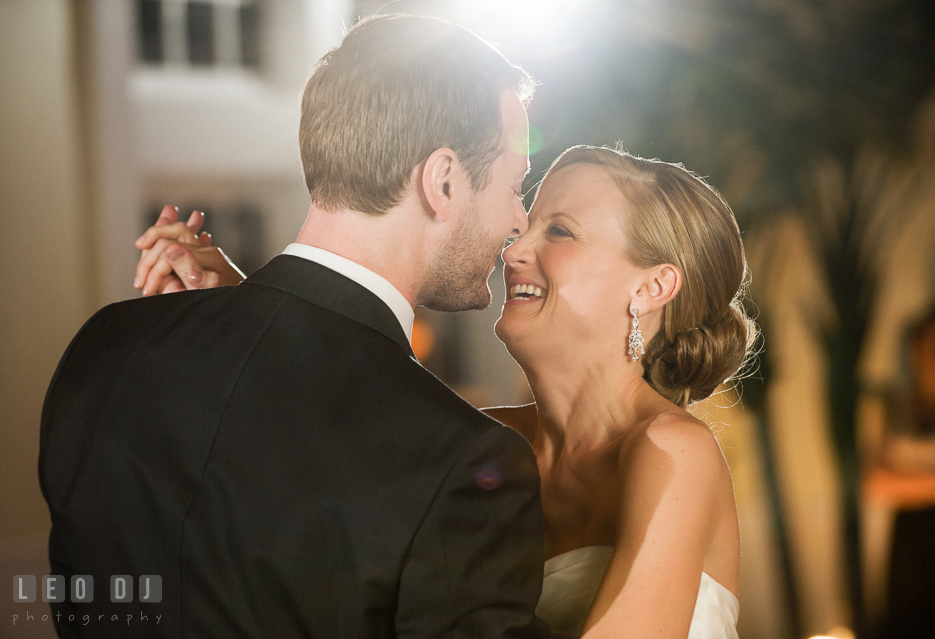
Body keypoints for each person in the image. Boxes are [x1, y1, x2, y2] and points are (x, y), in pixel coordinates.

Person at [40, 14, 551, 638]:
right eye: (514, 187)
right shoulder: (458, 462)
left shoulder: (105, 350)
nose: (518, 222)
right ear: (442, 181)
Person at [142, 145, 755, 638]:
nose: (514, 251)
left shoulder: (675, 453)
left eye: (560, 232)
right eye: (528, 224)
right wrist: (240, 306)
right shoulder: (485, 443)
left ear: (653, 287)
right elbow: (329, 433)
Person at [864, 307, 935, 639]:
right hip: (909, 540)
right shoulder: (895, 404)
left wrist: (905, 482)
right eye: (928, 343)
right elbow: (876, 483)